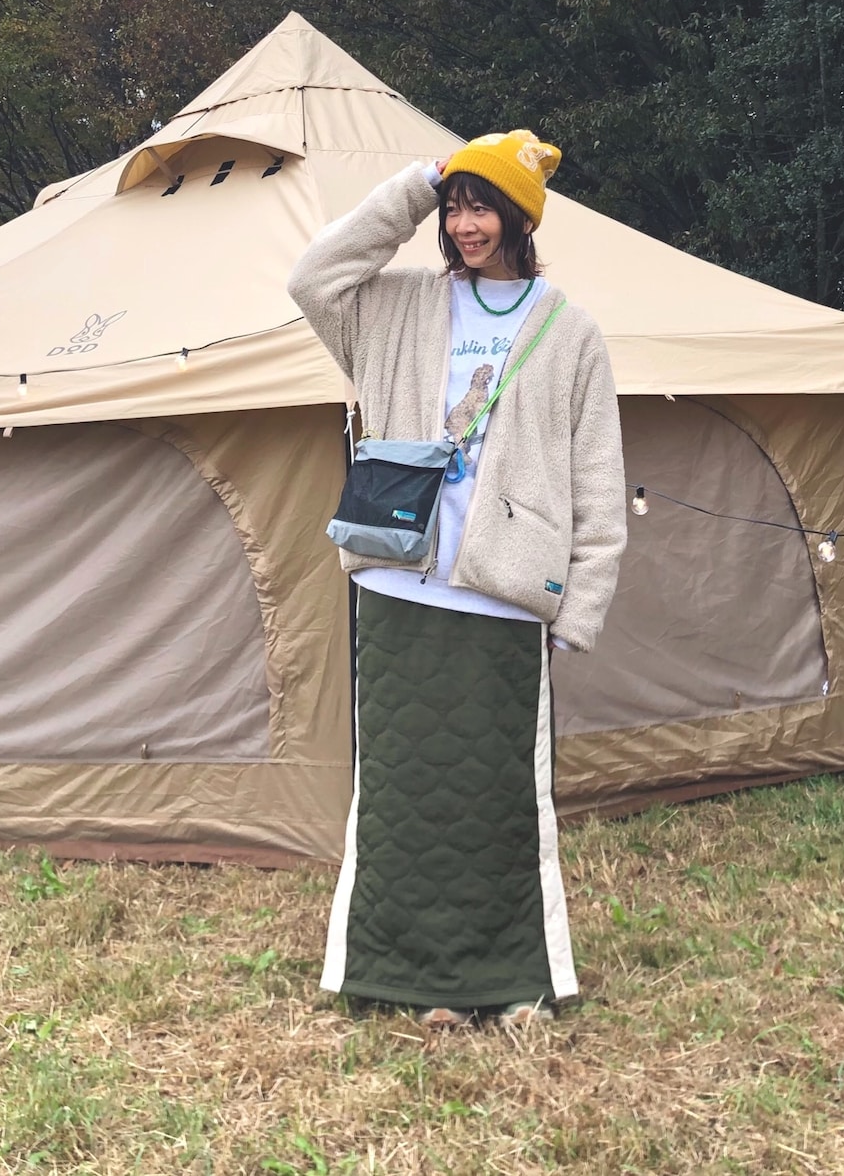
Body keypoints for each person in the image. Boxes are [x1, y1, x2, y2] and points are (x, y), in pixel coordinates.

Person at [288, 129, 626, 1028]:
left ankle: (507, 984)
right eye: (455, 208)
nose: (465, 224)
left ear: (520, 216)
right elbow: (312, 278)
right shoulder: (399, 307)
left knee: (496, 800)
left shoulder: (570, 331)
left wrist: (580, 606)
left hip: (502, 592)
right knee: (400, 799)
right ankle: (404, 980)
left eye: (483, 207)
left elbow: (598, 478)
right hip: (397, 585)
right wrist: (417, 183)